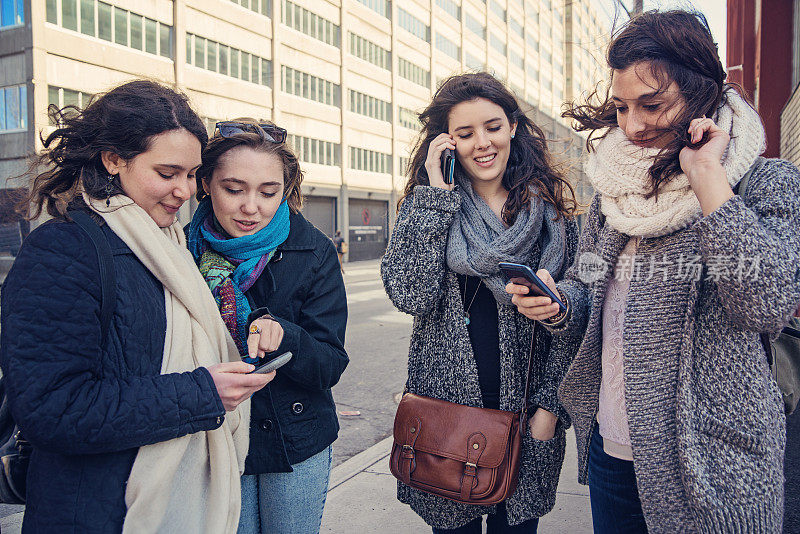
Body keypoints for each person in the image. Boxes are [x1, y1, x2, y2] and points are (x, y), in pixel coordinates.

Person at [508, 10, 800, 533]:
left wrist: (707, 176)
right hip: (612, 453)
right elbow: (589, 284)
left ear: (701, 92)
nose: (634, 126)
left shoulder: (764, 184)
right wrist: (559, 302)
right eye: (622, 107)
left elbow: (765, 304)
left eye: (653, 104)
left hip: (713, 464)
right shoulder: (614, 192)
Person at [0, 80, 274, 533]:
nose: (185, 190)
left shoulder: (168, 244)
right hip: (95, 513)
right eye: (167, 173)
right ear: (113, 160)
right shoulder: (64, 249)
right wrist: (202, 392)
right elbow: (53, 410)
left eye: (191, 174)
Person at [381, 72, 581, 533]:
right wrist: (435, 195)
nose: (482, 144)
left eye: (492, 127)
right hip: (447, 419)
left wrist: (550, 410)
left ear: (512, 126)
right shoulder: (430, 207)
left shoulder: (550, 215)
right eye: (465, 134)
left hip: (527, 420)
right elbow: (410, 294)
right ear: (446, 144)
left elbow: (576, 323)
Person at [187, 118, 348, 534]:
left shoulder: (312, 250)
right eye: (233, 189)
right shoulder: (179, 248)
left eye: (268, 192)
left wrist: (284, 335)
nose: (250, 207)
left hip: (295, 440)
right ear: (205, 183)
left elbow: (330, 364)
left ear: (286, 189)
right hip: (215, 435)